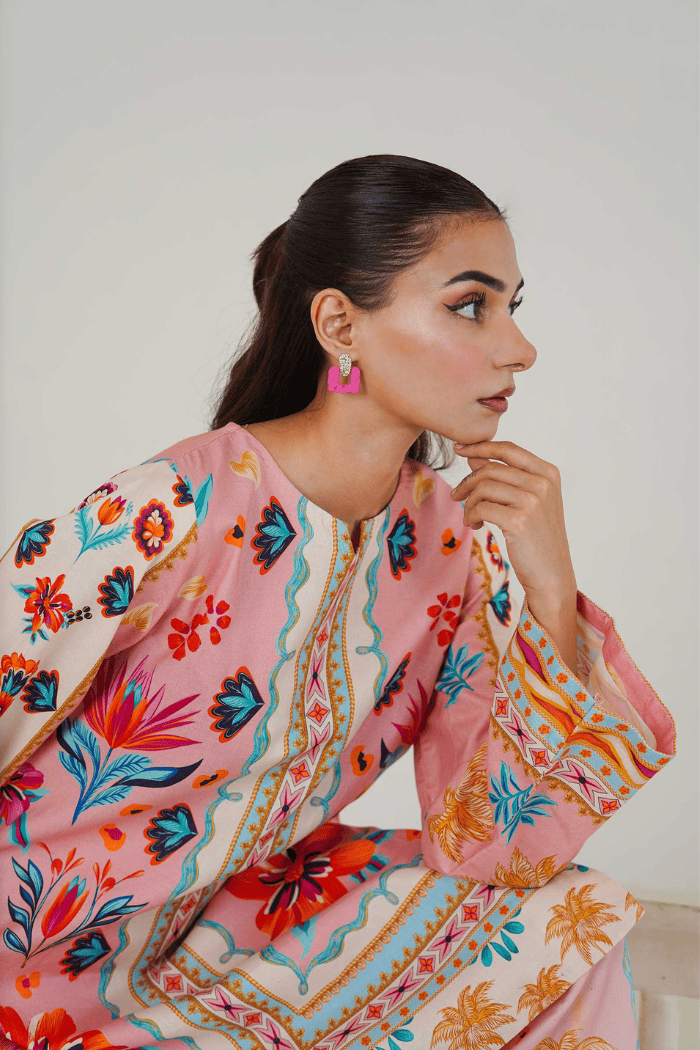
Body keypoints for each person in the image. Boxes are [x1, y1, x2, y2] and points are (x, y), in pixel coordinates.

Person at [0, 154, 675, 1050]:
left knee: (573, 921)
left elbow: (500, 847)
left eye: (515, 308)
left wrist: (550, 589)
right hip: (37, 950)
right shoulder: (170, 508)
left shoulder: (449, 541)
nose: (519, 347)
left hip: (236, 929)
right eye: (471, 305)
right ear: (338, 325)